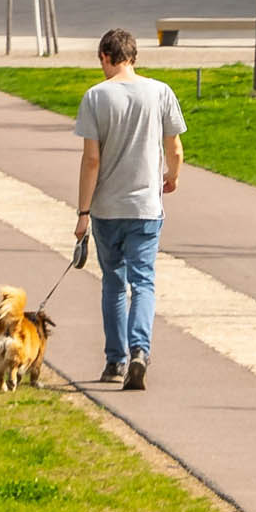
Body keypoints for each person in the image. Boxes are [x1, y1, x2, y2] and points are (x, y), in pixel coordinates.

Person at [72, 24, 187, 390]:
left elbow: (92, 160)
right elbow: (176, 148)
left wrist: (82, 213)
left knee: (113, 284)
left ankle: (115, 361)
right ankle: (140, 349)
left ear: (105, 57)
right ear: (134, 58)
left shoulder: (95, 97)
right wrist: (173, 176)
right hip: (146, 207)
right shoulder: (160, 92)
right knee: (144, 282)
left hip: (107, 209)